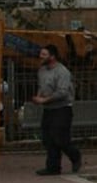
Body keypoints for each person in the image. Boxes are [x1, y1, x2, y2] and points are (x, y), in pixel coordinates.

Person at [31, 44, 82, 175]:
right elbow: (42, 87)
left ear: (52, 57)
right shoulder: (42, 70)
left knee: (60, 138)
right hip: (49, 109)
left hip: (62, 108)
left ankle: (75, 156)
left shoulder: (62, 71)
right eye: (40, 54)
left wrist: (45, 99)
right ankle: (53, 167)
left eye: (44, 55)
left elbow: (62, 92)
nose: (40, 57)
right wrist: (38, 97)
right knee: (48, 139)